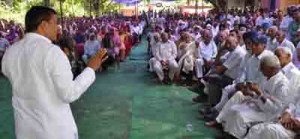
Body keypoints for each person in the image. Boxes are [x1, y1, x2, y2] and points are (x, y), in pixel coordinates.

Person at [1, 6, 107, 139]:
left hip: (25, 131)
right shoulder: (53, 52)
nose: (58, 27)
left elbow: (7, 72)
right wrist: (90, 69)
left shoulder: (11, 51)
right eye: (55, 23)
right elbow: (69, 93)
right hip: (53, 131)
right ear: (43, 25)